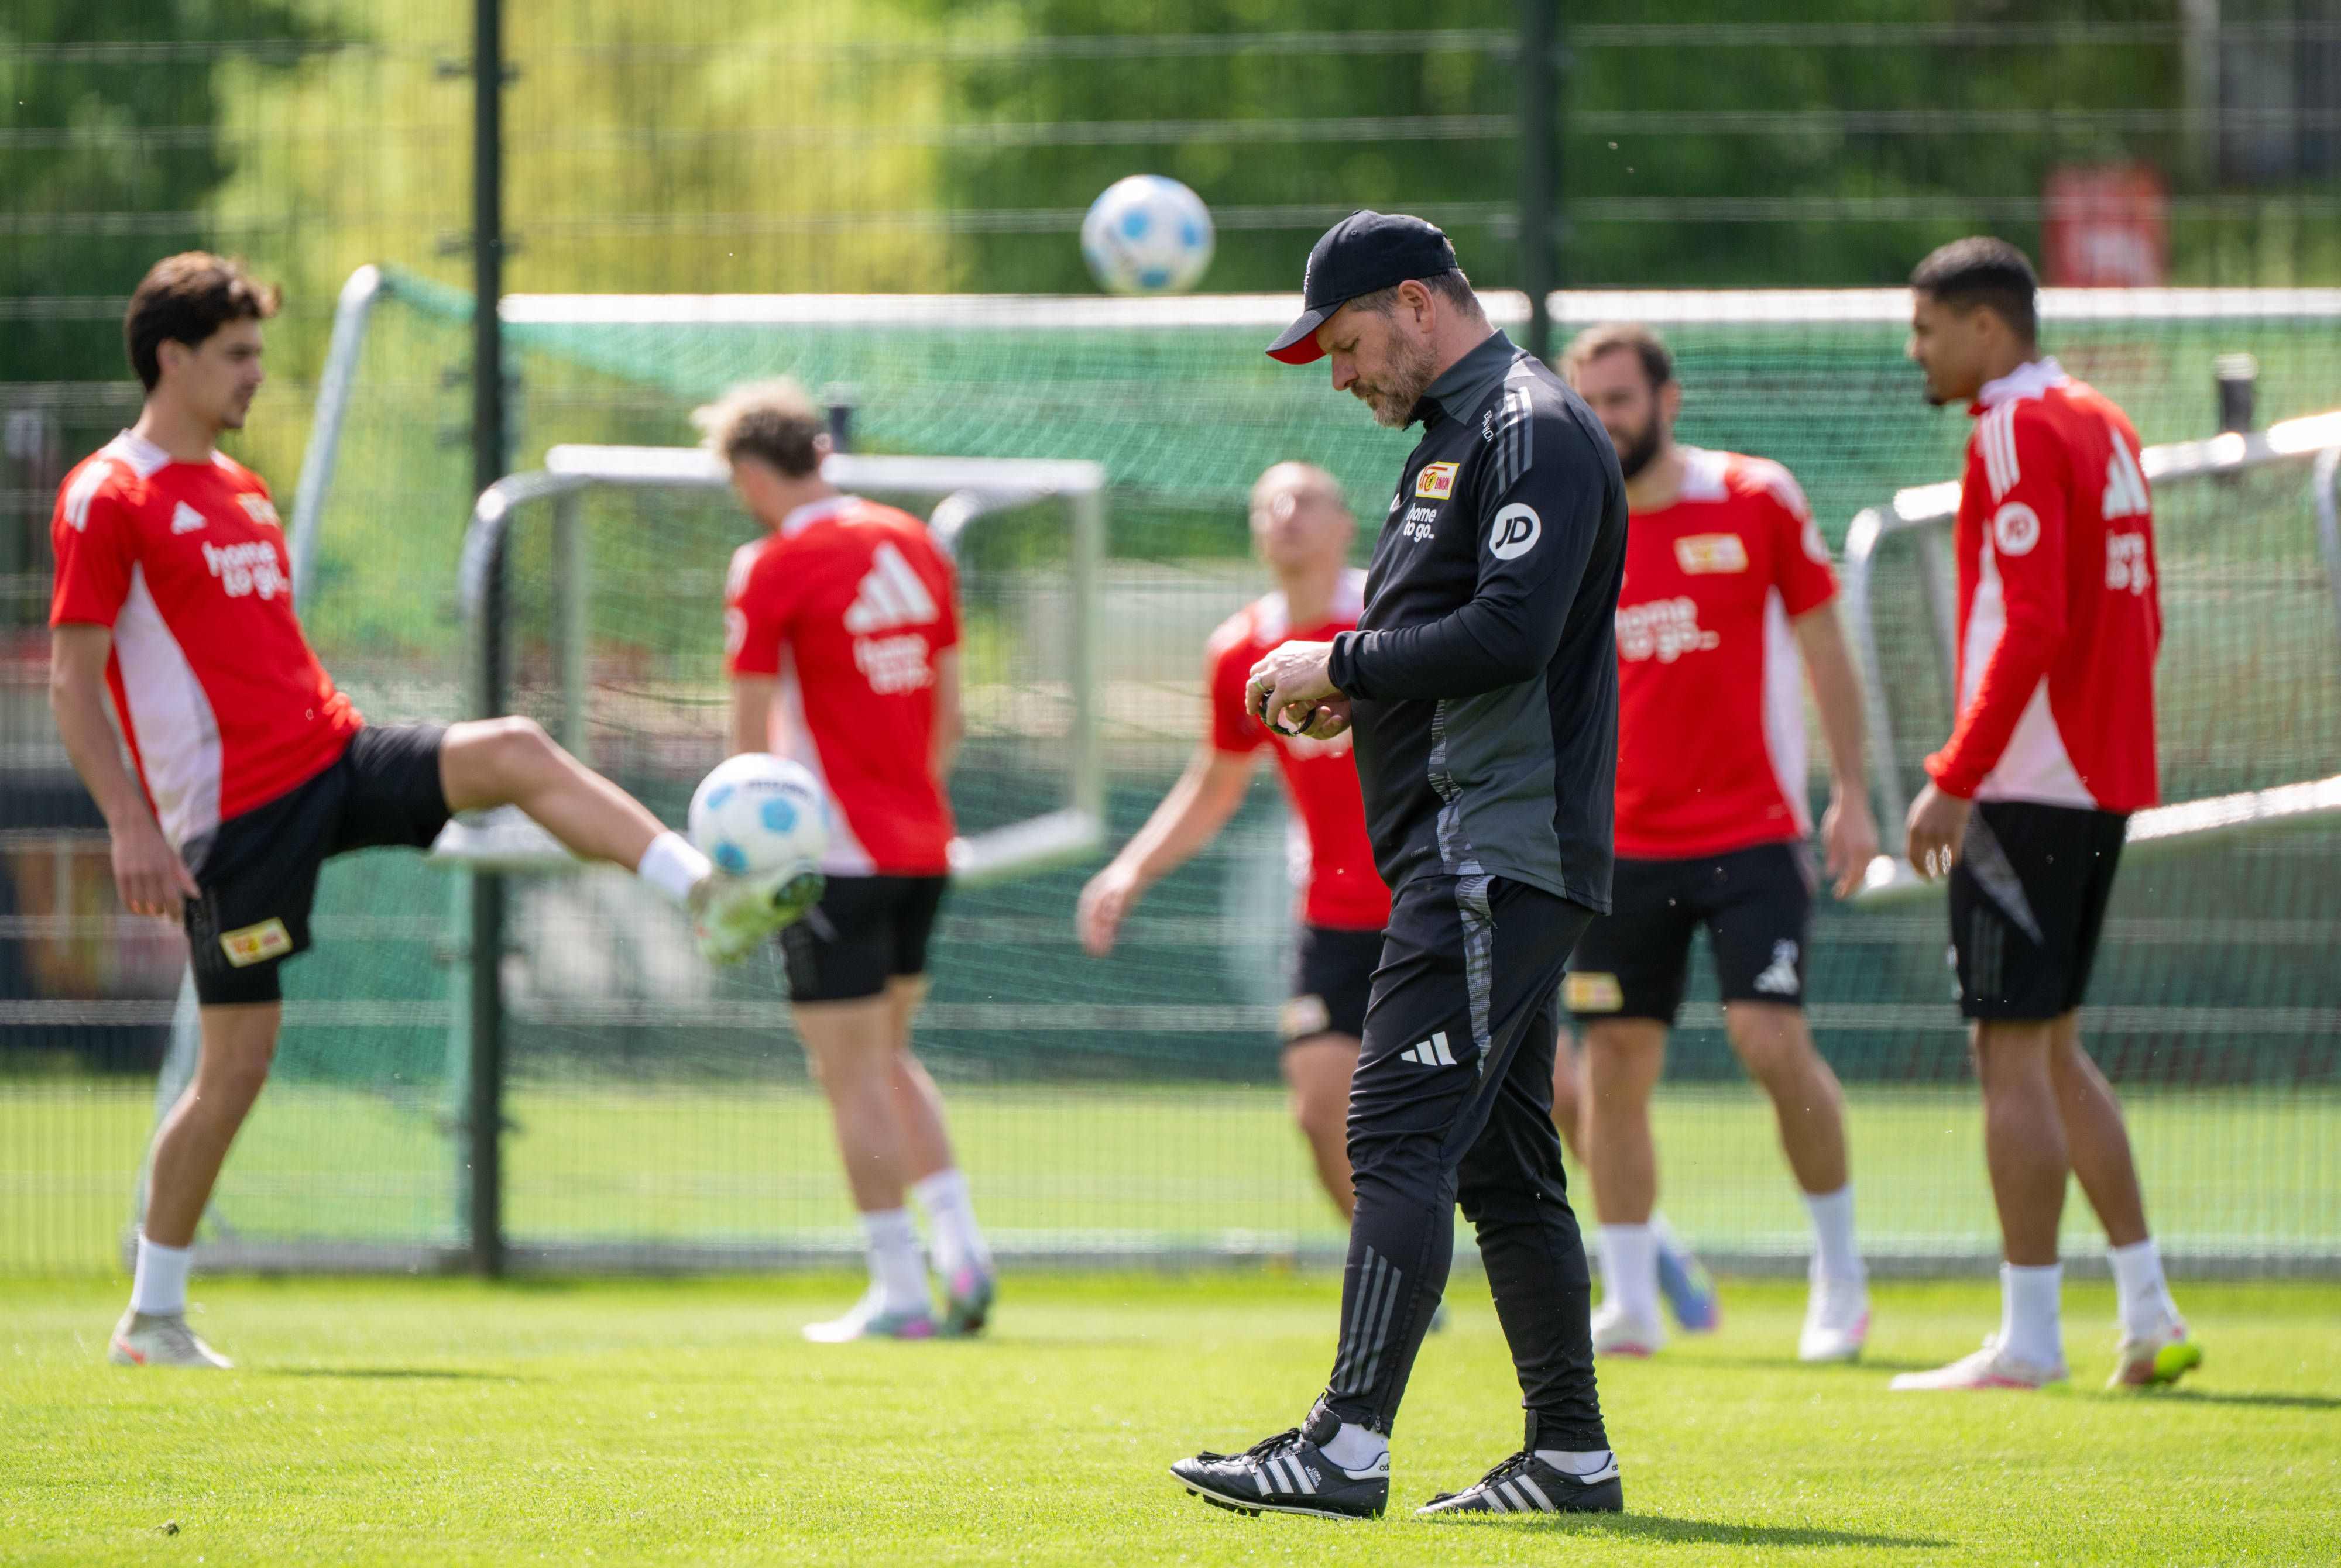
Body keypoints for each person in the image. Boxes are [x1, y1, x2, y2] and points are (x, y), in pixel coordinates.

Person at [53, 254, 788, 1371]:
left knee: (514, 749)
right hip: (233, 821)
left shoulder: (243, 488)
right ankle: (154, 1316)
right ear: (173, 357)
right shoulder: (111, 495)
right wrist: (130, 825)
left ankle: (710, 893)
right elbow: (74, 678)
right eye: (239, 355)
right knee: (238, 1066)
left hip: (333, 755)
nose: (257, 374)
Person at [1171, 211, 1627, 1521]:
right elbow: (1446, 640)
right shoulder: (1450, 438)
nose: (1339, 372)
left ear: (1418, 305)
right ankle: (1570, 1455)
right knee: (1501, 1163)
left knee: (1393, 1130)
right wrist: (1356, 693)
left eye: (1349, 340)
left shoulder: (1525, 424)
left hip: (1495, 843)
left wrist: (1340, 662)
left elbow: (1509, 628)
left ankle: (1344, 1443)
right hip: (1473, 839)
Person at [1891, 238, 2199, 1392]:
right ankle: (2147, 1308)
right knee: (2056, 1047)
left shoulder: (2015, 425)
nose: (1915, 352)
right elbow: (2135, 609)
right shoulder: (2101, 419)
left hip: (2028, 779)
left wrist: (1956, 770)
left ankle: (2026, 1336)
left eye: (1924, 330)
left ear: (1983, 328)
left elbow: (2033, 620)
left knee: (2006, 1051)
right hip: (2098, 770)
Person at [1554, 322, 1878, 1364]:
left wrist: (1856, 797)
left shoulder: (1757, 497)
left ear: (1667, 400)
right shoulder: (1568, 523)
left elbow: (1826, 645)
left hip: (1754, 834)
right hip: (1618, 849)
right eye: (1588, 401)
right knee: (1612, 1071)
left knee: (1770, 1041)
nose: (1605, 419)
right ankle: (1633, 1298)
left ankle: (1839, 1279)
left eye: (1621, 398)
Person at [706, 379, 996, 1344]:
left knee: (851, 1075)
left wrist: (743, 866)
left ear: (752, 472)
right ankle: (961, 1251)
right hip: (923, 845)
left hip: (830, 858)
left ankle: (901, 1290)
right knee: (889, 1055)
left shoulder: (771, 563)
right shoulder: (916, 541)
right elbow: (951, 713)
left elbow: (749, 744)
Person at [1077, 462, 1386, 1220]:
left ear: (1347, 524)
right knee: (1320, 1111)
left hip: (1438, 895)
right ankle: (1402, 1278)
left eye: (1307, 499)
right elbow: (1216, 781)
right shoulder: (1241, 649)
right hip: (1335, 914)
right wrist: (1130, 869)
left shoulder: (1390, 616)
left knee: (1548, 1096)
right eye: (1268, 504)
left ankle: (1643, 1249)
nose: (1286, 513)